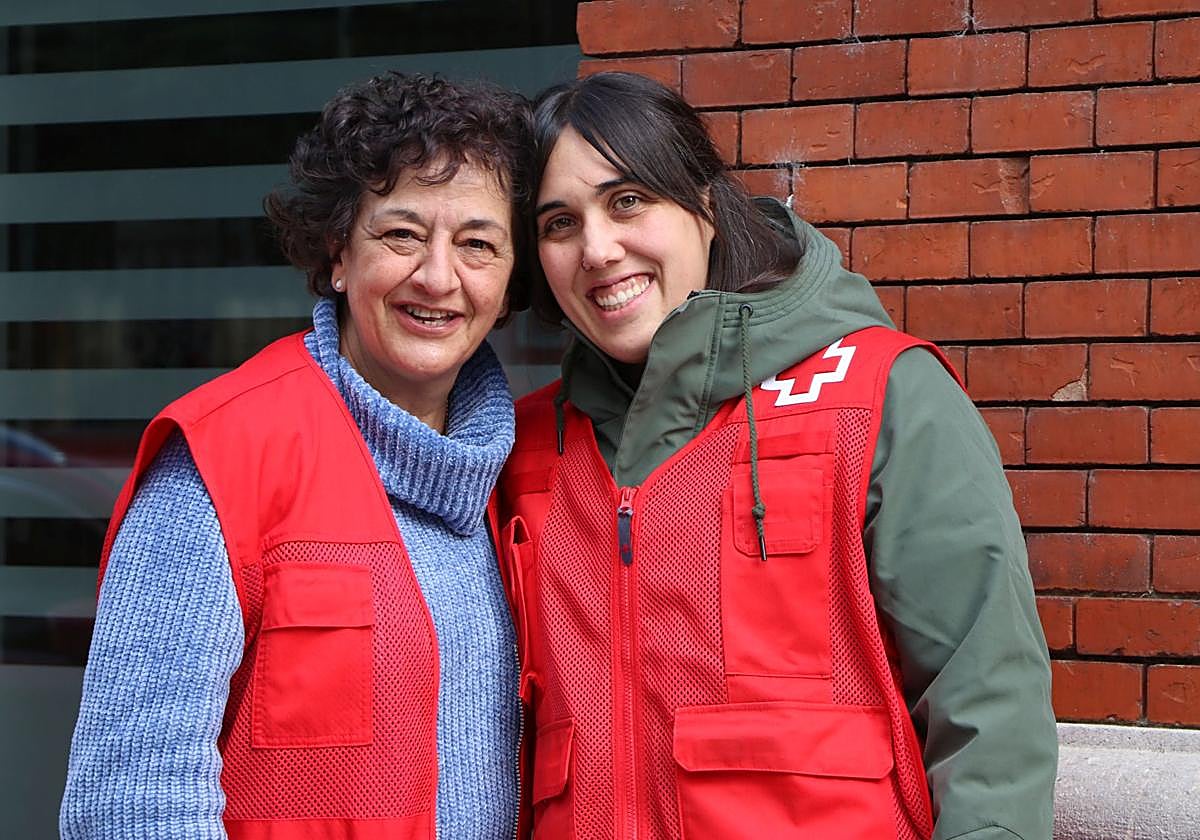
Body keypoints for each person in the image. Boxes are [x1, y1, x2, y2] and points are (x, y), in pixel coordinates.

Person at [499, 71, 1056, 840]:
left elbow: (988, 701)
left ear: (702, 203)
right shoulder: (522, 447)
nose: (597, 249)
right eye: (559, 223)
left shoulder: (880, 394)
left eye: (628, 200)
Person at [61, 72, 532, 840]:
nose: (439, 276)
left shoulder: (529, 483)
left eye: (477, 244)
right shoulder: (221, 461)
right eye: (401, 234)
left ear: (510, 284)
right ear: (338, 255)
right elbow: (131, 802)